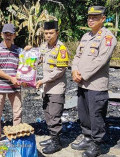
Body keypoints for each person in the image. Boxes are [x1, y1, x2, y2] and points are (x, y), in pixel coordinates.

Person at [71, 6, 117, 157]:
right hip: (82, 83)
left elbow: (100, 60)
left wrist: (82, 74)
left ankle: (96, 144)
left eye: (95, 17)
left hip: (96, 85)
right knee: (83, 114)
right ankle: (86, 137)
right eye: (89, 17)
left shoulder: (108, 38)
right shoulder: (85, 36)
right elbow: (77, 56)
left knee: (96, 115)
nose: (90, 20)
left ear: (103, 19)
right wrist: (74, 70)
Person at [35, 21, 69, 154]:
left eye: (51, 33)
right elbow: (37, 58)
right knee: (48, 114)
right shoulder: (44, 46)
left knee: (54, 116)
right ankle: (52, 138)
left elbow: (59, 71)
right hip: (46, 88)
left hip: (56, 88)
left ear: (57, 33)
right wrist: (29, 54)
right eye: (46, 33)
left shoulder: (61, 49)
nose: (48, 35)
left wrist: (42, 80)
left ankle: (57, 142)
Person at [0, 24, 22, 140]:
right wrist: (10, 78)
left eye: (10, 34)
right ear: (2, 34)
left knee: (17, 113)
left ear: (14, 35)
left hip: (15, 87)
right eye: (6, 34)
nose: (8, 36)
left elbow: (25, 65)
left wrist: (29, 51)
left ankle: (17, 135)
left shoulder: (18, 50)